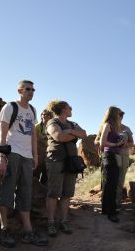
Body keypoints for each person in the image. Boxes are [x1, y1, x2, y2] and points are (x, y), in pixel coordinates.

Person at [0, 80, 47, 248]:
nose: (31, 92)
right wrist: (2, 157)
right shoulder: (10, 107)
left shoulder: (32, 110)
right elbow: (2, 132)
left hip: (27, 156)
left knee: (26, 191)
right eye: (28, 89)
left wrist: (36, 154)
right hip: (12, 153)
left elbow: (33, 134)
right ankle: (4, 229)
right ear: (19, 90)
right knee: (8, 190)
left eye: (33, 89)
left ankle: (28, 231)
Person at [45, 100, 86, 237]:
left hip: (71, 161)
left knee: (67, 193)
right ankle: (50, 222)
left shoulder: (72, 124)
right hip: (56, 160)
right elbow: (59, 136)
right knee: (53, 193)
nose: (71, 109)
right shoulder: (52, 123)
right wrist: (74, 134)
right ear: (63, 109)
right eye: (69, 107)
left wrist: (69, 130)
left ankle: (63, 221)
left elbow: (84, 134)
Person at [98, 106, 126, 223]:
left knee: (110, 183)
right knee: (111, 184)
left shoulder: (114, 126)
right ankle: (111, 212)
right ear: (114, 114)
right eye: (119, 114)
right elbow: (102, 142)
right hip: (109, 156)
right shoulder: (107, 125)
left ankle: (106, 209)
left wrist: (121, 143)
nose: (121, 116)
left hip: (113, 156)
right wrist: (116, 144)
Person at [116, 110, 134, 208]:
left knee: (121, 177)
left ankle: (117, 201)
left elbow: (132, 143)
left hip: (123, 154)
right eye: (118, 116)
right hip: (111, 155)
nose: (120, 118)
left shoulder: (126, 129)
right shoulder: (108, 127)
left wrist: (126, 144)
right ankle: (107, 200)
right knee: (111, 178)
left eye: (121, 116)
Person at [35, 109, 53, 185]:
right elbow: (35, 139)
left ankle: (44, 194)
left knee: (46, 175)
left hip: (48, 154)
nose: (45, 116)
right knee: (35, 174)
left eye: (47, 115)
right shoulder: (37, 126)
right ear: (41, 116)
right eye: (43, 114)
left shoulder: (52, 126)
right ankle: (33, 194)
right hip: (38, 153)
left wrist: (42, 137)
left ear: (50, 117)